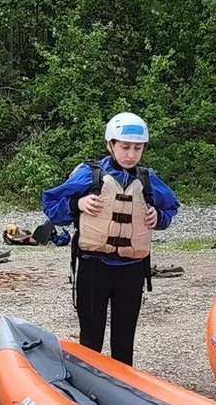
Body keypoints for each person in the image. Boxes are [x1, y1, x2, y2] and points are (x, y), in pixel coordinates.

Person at [43, 112, 179, 364]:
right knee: (91, 339)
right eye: (125, 147)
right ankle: (86, 386)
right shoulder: (90, 174)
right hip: (94, 267)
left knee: (123, 341)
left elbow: (171, 209)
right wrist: (77, 203)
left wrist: (158, 217)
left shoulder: (148, 179)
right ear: (111, 145)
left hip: (131, 269)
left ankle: (122, 389)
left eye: (137, 148)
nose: (131, 154)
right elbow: (51, 204)